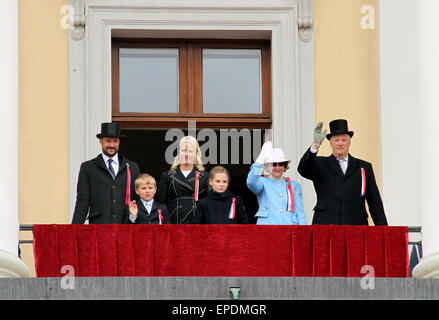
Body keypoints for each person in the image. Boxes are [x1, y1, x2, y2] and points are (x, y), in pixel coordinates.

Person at [297, 119, 388, 225]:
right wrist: (315, 145)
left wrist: (383, 231)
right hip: (326, 226)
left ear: (349, 142)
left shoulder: (363, 167)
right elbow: (303, 169)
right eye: (336, 140)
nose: (340, 144)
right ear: (330, 143)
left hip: (355, 225)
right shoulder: (320, 164)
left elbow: (375, 202)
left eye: (344, 140)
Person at [72, 122, 140, 224]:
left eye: (115, 141)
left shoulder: (132, 167)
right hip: (99, 226)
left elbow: (138, 199)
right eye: (108, 141)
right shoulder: (88, 168)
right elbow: (82, 202)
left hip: (125, 226)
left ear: (119, 142)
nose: (111, 145)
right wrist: (74, 231)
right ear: (101, 141)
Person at [247, 142, 306, 225]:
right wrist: (259, 162)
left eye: (281, 164)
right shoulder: (262, 182)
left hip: (289, 227)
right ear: (267, 166)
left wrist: (303, 232)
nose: (277, 167)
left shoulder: (294, 185)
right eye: (274, 164)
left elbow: (299, 212)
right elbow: (251, 182)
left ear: (285, 166)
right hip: (267, 228)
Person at [157, 136, 209, 224]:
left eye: (190, 151)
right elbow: (161, 204)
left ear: (196, 153)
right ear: (178, 153)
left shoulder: (205, 176)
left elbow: (208, 204)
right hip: (174, 223)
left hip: (198, 224)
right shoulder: (167, 176)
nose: (186, 154)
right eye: (183, 150)